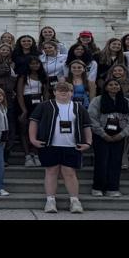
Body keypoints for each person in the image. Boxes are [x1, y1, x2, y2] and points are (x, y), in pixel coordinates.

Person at [26, 77, 91, 214]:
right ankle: (50, 201)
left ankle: (75, 201)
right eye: (60, 89)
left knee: (70, 173)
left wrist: (88, 142)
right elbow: (33, 122)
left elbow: (86, 126)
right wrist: (33, 139)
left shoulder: (79, 107)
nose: (63, 92)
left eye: (67, 90)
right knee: (51, 171)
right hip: (50, 144)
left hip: (72, 145)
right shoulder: (44, 105)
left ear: (72, 92)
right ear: (54, 92)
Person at [87, 77, 129, 197]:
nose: (114, 87)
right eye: (110, 85)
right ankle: (98, 187)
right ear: (105, 87)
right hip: (101, 135)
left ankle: (113, 188)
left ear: (120, 87)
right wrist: (103, 134)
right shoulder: (97, 100)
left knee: (115, 162)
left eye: (116, 84)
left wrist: (122, 134)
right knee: (101, 161)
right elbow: (92, 118)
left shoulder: (126, 101)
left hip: (119, 135)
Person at [17, 61, 49, 167]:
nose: (35, 65)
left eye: (37, 63)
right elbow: (19, 94)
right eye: (32, 64)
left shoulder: (43, 76)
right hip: (25, 103)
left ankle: (35, 154)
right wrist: (23, 110)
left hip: (39, 104)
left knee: (37, 130)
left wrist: (45, 106)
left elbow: (46, 92)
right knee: (24, 130)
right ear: (28, 65)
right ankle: (27, 156)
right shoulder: (23, 77)